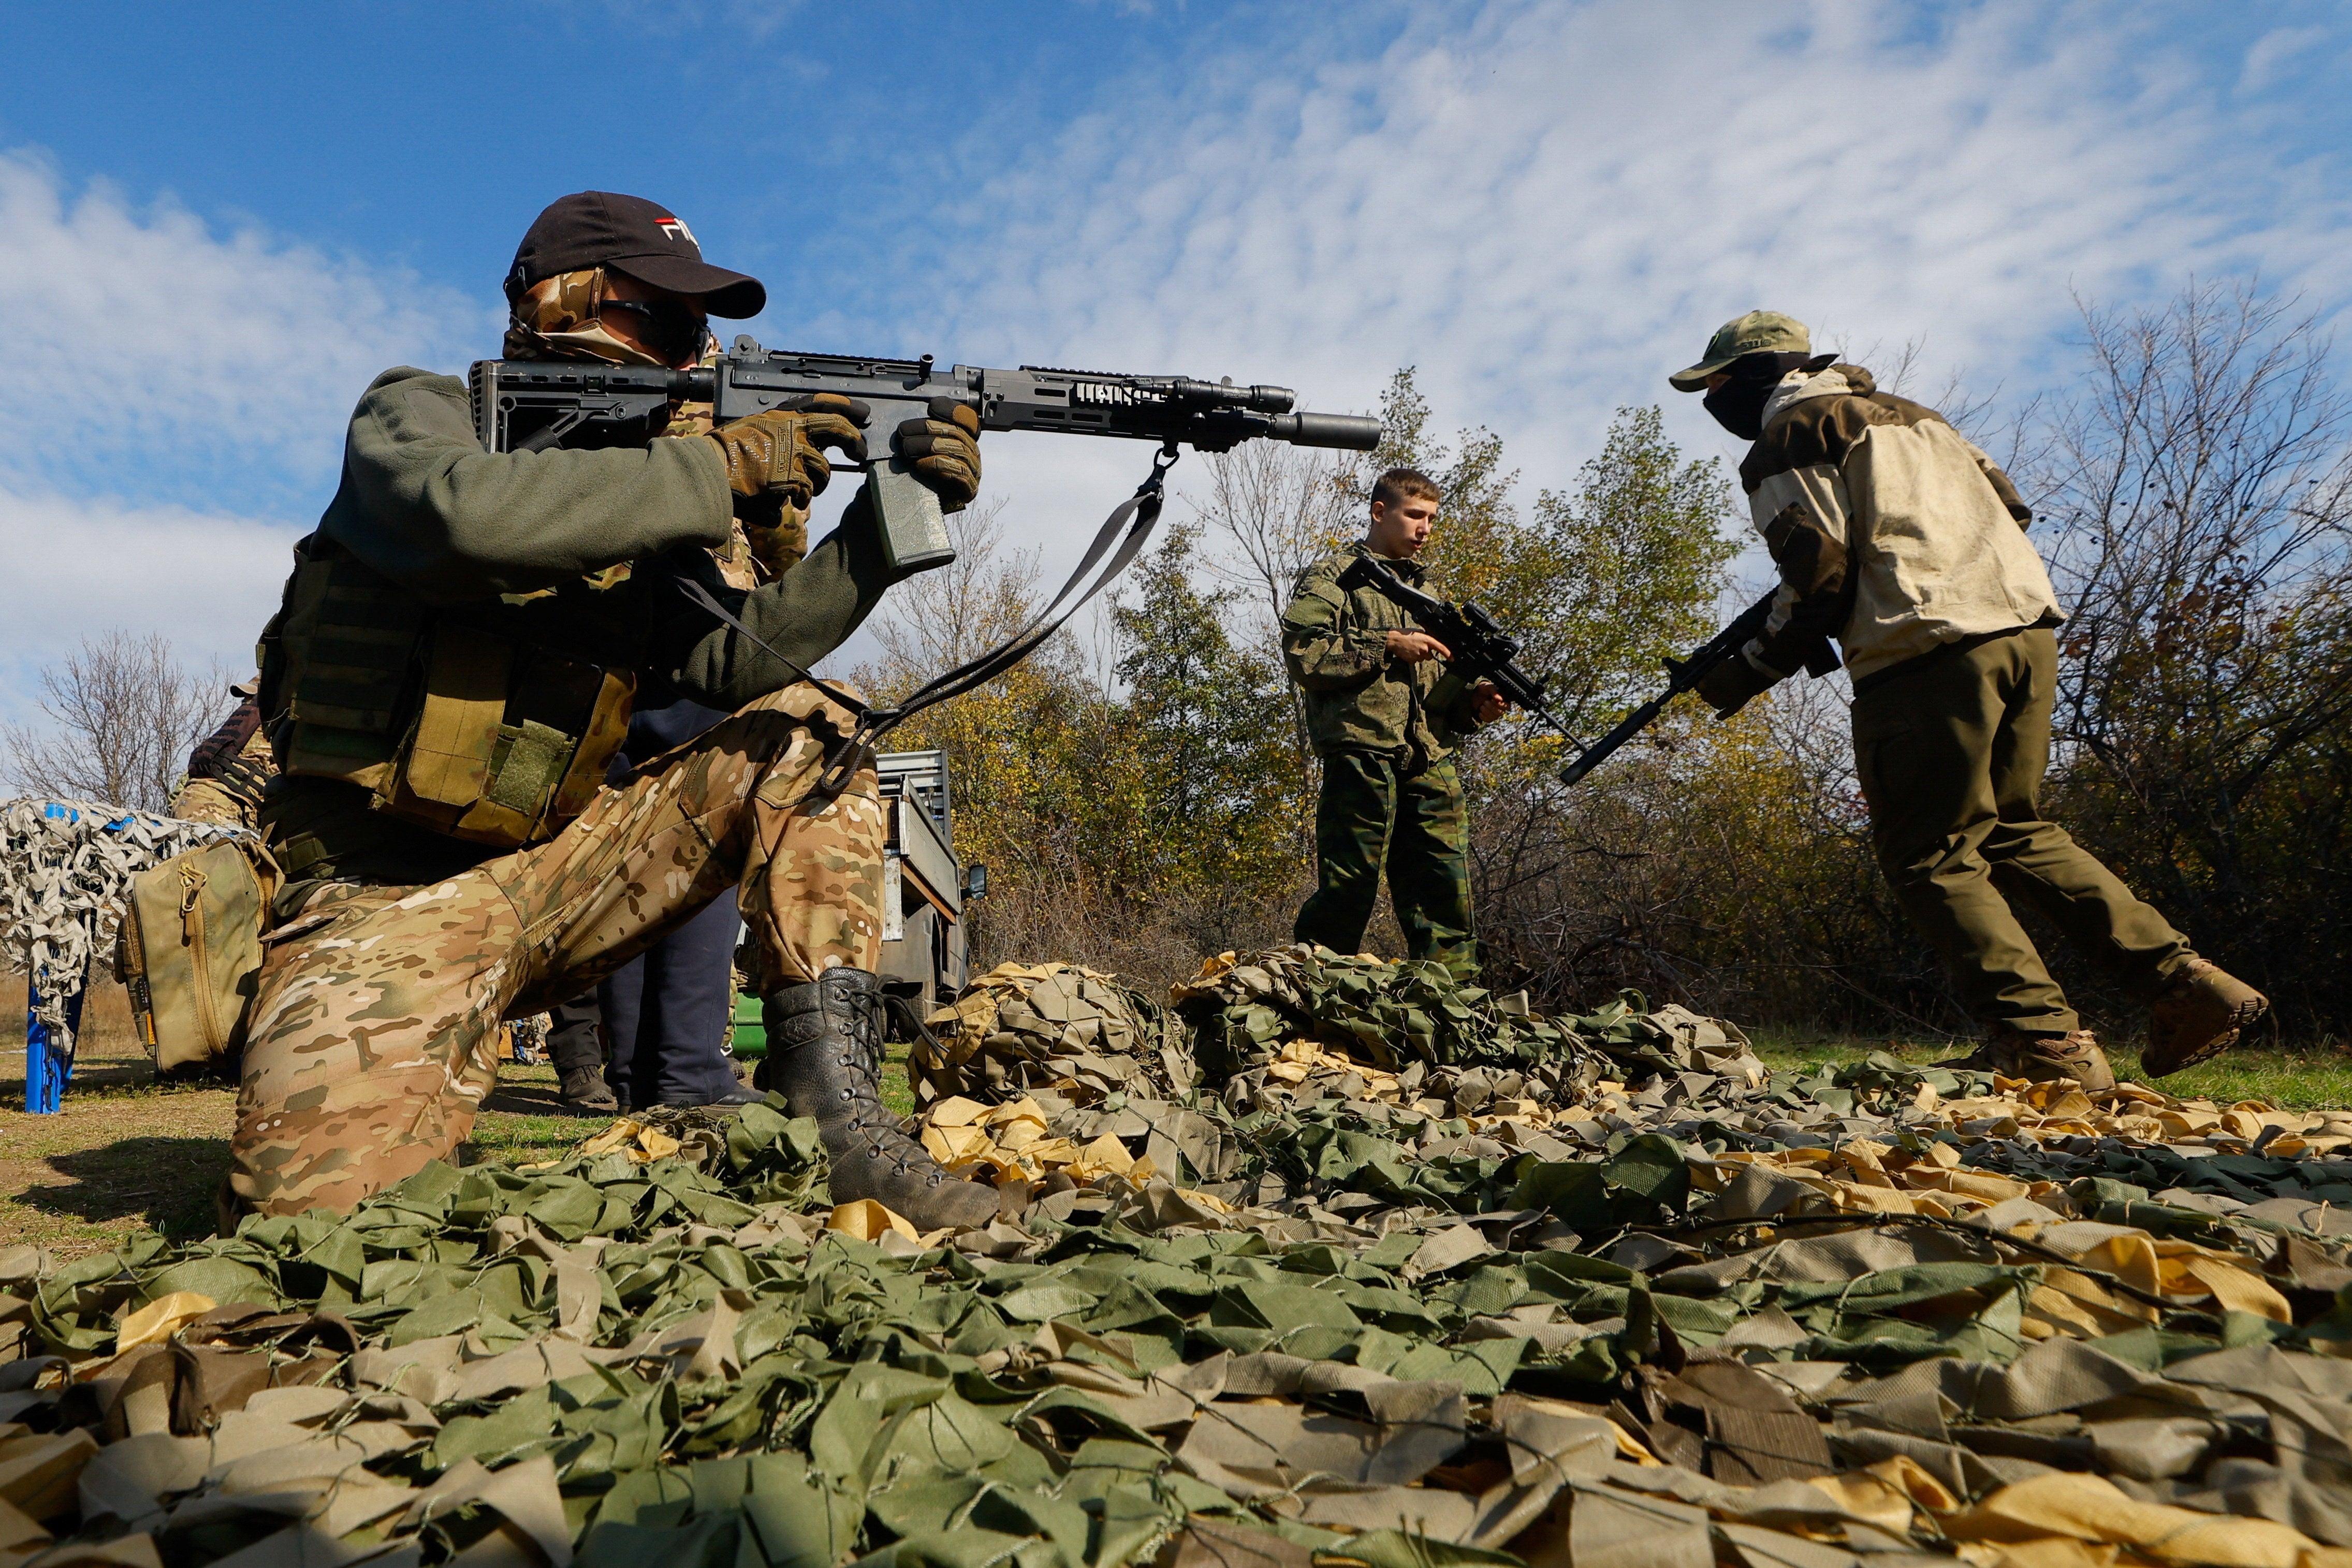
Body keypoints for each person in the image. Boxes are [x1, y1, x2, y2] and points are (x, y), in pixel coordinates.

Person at [235, 190, 998, 1229]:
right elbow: (464, 514)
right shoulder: (415, 415)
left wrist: (879, 525)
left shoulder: (640, 502)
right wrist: (719, 465)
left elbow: (735, 658)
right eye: (663, 320)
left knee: (812, 728)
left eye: (698, 331)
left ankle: (836, 1119)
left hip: (554, 877)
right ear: (555, 301)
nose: (690, 353)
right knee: (320, 1227)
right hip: (376, 900)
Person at [1670, 310, 2269, 1091]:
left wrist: (1746, 668)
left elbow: (1817, 574)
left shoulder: (1789, 435)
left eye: (1714, 384)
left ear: (1754, 375)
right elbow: (2009, 508)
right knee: (2014, 829)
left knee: (1929, 852)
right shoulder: (1919, 418)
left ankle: (2041, 1043)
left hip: (1923, 652)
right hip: (2022, 630)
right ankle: (2188, 988)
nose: (1710, 401)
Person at [1281, 467, 1507, 976]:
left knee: (1443, 887)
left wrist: (1475, 703)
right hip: (1361, 750)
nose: (1424, 528)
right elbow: (1304, 652)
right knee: (1349, 885)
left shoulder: (1428, 590)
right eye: (1414, 515)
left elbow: (1438, 690)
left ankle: (1450, 997)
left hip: (1429, 755)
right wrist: (1387, 643)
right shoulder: (1335, 576)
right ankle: (1314, 986)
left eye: (1432, 518)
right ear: (1380, 512)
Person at [169, 678, 277, 829]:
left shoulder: (231, 735)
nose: (245, 702)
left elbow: (179, 788)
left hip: (187, 803)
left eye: (249, 697)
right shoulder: (272, 728)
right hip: (218, 811)